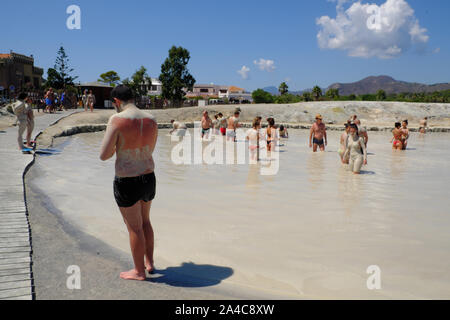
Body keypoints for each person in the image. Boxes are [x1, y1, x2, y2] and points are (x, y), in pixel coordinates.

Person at [99, 85, 158, 281]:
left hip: (127, 180)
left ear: (116, 101)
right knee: (146, 221)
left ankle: (139, 271)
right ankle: (149, 263)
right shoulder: (151, 118)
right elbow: (150, 148)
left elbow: (104, 155)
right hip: (148, 177)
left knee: (134, 227)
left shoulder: (116, 119)